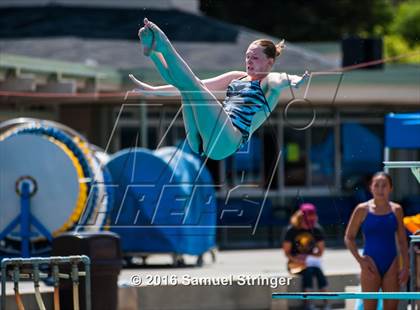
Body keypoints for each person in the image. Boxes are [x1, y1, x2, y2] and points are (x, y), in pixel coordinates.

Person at [127, 18, 309, 160]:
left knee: (193, 86)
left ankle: (162, 45)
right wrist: (154, 91)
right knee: (187, 88)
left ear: (269, 62)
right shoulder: (236, 77)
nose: (249, 61)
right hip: (202, 139)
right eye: (247, 57)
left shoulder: (268, 82)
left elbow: (282, 79)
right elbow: (199, 85)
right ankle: (154, 53)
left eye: (255, 58)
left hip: (227, 141)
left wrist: (295, 80)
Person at [344, 172, 409, 310]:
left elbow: (403, 241)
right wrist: (361, 261)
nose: (380, 189)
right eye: (377, 185)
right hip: (370, 264)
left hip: (391, 263)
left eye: (384, 185)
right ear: (370, 188)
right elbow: (349, 237)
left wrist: (406, 267)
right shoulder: (362, 209)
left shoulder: (396, 210)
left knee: (391, 308)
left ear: (391, 188)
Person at [283, 203, 330, 310]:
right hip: (294, 263)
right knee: (308, 272)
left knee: (318, 271)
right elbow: (287, 252)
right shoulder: (292, 230)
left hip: (310, 262)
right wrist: (298, 259)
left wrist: (309, 257)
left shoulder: (316, 229)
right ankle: (308, 304)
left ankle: (326, 303)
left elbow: (320, 251)